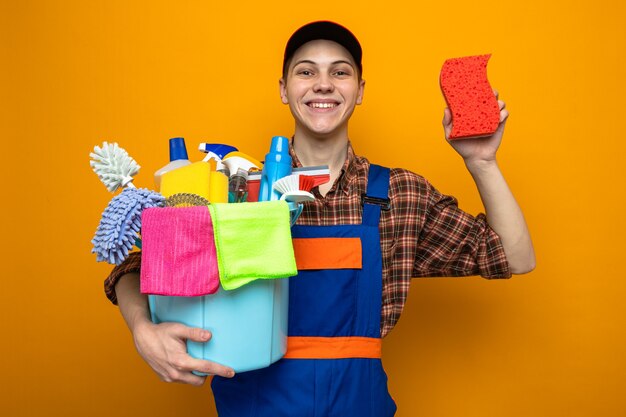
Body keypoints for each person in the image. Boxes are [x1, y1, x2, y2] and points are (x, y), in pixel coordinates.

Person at [105, 20, 535, 416]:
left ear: (360, 89)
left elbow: (512, 257)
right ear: (283, 87)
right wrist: (143, 330)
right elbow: (136, 266)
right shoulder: (239, 190)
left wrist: (482, 161)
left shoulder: (399, 196)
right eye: (306, 72)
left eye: (340, 72)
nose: (323, 84)